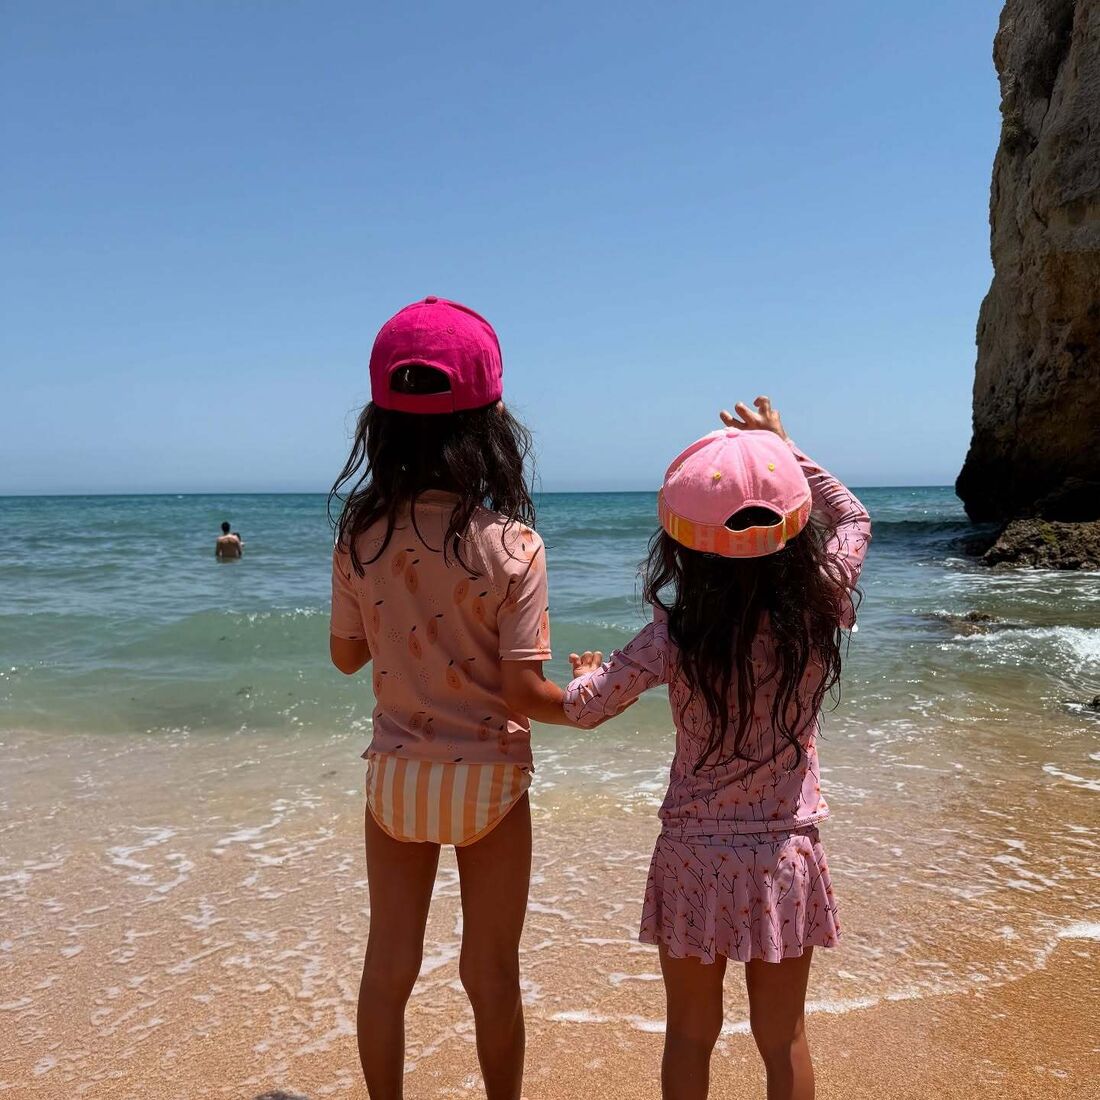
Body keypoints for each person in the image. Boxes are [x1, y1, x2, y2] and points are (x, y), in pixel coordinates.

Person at [563, 397, 871, 1100]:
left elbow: (585, 710)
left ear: (681, 539)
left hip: (695, 855)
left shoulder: (673, 635)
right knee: (784, 1036)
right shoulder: (820, 603)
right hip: (783, 856)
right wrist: (787, 452)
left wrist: (560, 677)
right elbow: (852, 517)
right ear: (792, 528)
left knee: (690, 1036)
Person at [328, 297, 591, 1100]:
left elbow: (345, 658)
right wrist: (580, 694)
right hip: (489, 783)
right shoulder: (514, 545)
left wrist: (398, 622)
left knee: (389, 965)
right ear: (494, 420)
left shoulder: (361, 534)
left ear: (378, 419)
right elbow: (522, 688)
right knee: (490, 970)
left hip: (398, 780)